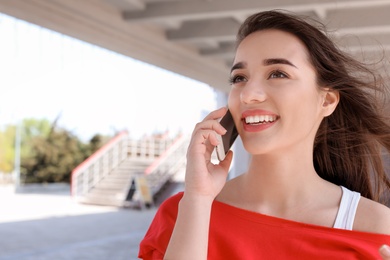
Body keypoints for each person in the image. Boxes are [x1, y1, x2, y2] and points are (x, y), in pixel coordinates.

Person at [138, 10, 390, 259]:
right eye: (239, 78)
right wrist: (199, 199)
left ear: (327, 100)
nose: (248, 94)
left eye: (278, 73)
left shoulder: (375, 227)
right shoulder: (183, 213)